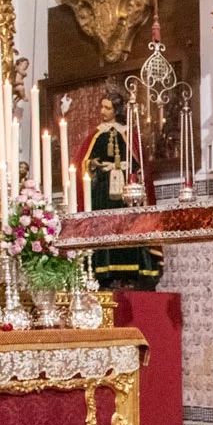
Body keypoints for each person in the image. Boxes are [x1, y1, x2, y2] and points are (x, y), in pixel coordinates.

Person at [78, 87, 163, 290]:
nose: (103, 111)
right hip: (102, 195)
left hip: (124, 194)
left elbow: (139, 163)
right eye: (102, 107)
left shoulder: (128, 135)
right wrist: (94, 165)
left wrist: (131, 171)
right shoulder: (96, 136)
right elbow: (84, 163)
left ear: (116, 110)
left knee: (127, 228)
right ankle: (104, 274)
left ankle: (130, 273)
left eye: (107, 108)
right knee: (104, 230)